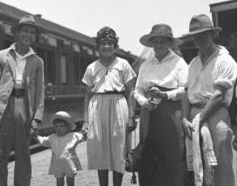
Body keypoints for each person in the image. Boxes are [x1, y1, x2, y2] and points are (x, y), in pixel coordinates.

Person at [0, 15, 45, 186]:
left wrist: (36, 118)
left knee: (23, 153)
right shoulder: (1, 56)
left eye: (32, 32)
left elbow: (40, 91)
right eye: (25, 31)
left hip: (24, 107)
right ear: (17, 33)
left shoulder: (37, 61)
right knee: (1, 153)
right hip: (5, 106)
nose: (28, 35)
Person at [181, 14, 237, 186]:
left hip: (215, 115)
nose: (200, 39)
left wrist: (200, 118)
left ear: (213, 35)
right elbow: (185, 92)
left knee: (220, 166)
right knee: (197, 167)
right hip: (193, 117)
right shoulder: (193, 63)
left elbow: (220, 94)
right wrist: (184, 118)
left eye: (204, 35)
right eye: (196, 36)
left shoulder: (225, 60)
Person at [134, 24, 188, 186]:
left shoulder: (179, 63)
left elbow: (185, 89)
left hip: (171, 114)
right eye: (155, 42)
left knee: (173, 154)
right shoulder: (146, 65)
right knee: (149, 153)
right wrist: (143, 102)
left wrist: (165, 95)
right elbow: (137, 89)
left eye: (162, 42)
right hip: (149, 114)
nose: (158, 45)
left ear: (169, 43)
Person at [82, 27, 136, 186]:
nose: (107, 46)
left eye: (110, 43)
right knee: (100, 148)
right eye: (103, 43)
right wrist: (85, 121)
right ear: (97, 46)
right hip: (97, 106)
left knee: (118, 146)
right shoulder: (92, 67)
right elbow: (87, 96)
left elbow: (130, 92)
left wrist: (132, 116)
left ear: (115, 45)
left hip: (118, 105)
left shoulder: (123, 64)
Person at [35, 111, 87, 186]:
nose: (59, 128)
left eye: (62, 126)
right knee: (59, 181)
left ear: (68, 127)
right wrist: (35, 136)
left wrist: (85, 131)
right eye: (56, 126)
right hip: (57, 164)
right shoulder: (52, 137)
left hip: (69, 163)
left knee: (70, 180)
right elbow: (43, 141)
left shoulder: (73, 136)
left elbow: (83, 136)